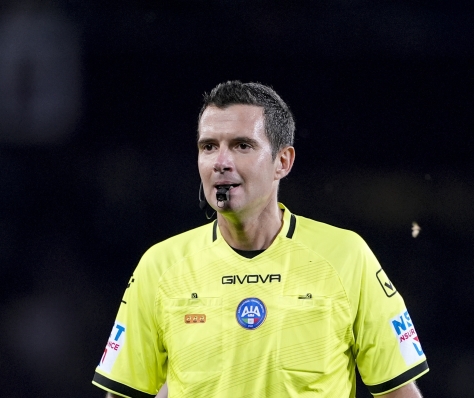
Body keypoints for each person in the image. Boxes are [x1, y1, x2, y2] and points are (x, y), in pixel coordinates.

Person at [92, 81, 429, 397]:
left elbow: (399, 392)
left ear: (282, 161)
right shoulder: (160, 266)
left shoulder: (346, 256)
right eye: (209, 147)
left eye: (242, 146)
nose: (221, 162)